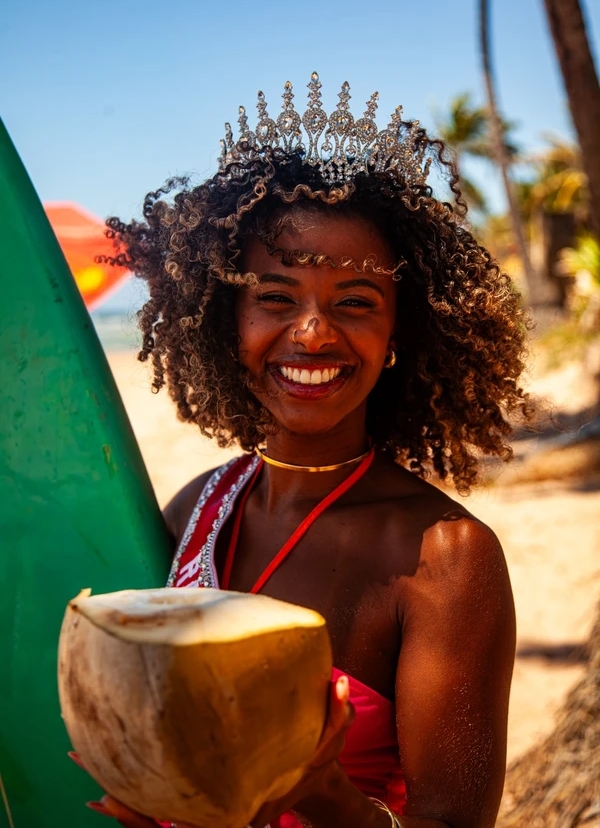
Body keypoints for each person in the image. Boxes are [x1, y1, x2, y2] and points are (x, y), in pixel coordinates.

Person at [85, 73, 531, 828]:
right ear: (228, 320)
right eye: (275, 296)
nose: (314, 333)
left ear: (399, 335)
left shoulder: (448, 560)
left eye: (355, 302)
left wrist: (321, 793)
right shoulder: (198, 511)